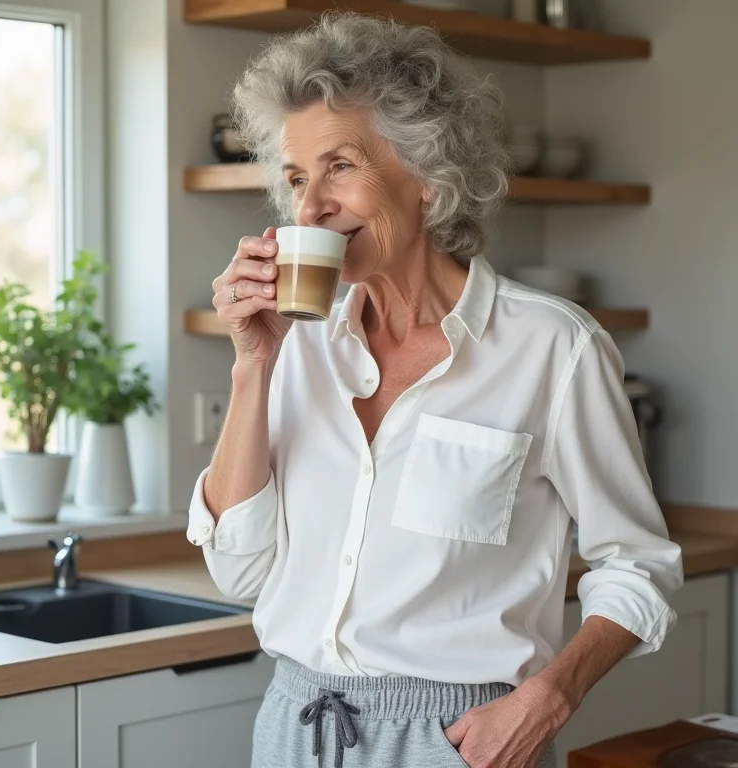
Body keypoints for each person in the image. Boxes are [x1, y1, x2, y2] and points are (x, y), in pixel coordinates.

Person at [186, 12, 683, 768]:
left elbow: (639, 565)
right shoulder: (294, 344)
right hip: (294, 727)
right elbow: (240, 570)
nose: (310, 205)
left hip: (459, 742)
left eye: (339, 166)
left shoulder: (552, 347)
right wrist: (253, 362)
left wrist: (546, 701)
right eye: (295, 177)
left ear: (426, 176)